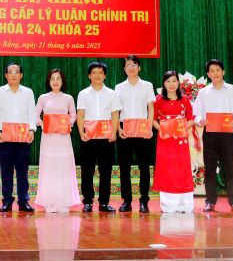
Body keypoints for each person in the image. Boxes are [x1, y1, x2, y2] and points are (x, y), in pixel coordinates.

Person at [194, 59, 233, 213]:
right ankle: (210, 202)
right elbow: (196, 113)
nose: (215, 73)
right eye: (212, 71)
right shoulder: (203, 92)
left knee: (231, 168)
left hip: (228, 134)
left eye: (218, 70)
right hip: (210, 134)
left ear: (223, 72)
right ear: (208, 74)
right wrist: (200, 119)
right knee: (210, 169)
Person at [0, 62, 36, 213]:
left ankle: (23, 201)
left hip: (24, 137)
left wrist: (32, 130)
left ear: (21, 75)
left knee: (23, 171)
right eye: (10, 72)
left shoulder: (28, 92)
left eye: (17, 72)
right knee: (6, 171)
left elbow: (32, 112)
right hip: (5, 137)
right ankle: (7, 201)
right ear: (6, 75)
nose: (14, 74)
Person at [76, 61, 121, 213]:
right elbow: (80, 114)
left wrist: (114, 132)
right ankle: (88, 201)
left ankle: (104, 203)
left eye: (100, 73)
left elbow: (115, 114)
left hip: (106, 138)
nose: (97, 75)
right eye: (94, 72)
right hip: (88, 137)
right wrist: (81, 132)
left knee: (106, 171)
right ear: (89, 75)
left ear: (105, 76)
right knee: (87, 170)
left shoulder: (112, 94)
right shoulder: (83, 94)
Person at [35, 68, 81, 213]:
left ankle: (63, 202)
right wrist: (42, 124)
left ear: (62, 81)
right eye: (52, 79)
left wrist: (69, 124)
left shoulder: (68, 98)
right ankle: (48, 202)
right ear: (49, 81)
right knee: (49, 168)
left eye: (58, 78)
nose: (55, 82)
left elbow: (73, 115)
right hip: (48, 138)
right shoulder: (43, 98)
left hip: (63, 138)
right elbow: (35, 115)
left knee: (63, 168)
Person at [114, 55, 156, 213]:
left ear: (139, 67)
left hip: (143, 128)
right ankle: (127, 201)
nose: (131, 68)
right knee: (124, 166)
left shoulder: (147, 85)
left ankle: (144, 200)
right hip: (125, 128)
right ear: (124, 69)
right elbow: (116, 110)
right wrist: (118, 128)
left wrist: (149, 127)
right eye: (128, 65)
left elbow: (151, 108)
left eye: (134, 65)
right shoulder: (119, 87)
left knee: (144, 166)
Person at [152, 70, 195, 213]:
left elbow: (191, 118)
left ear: (178, 82)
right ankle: (168, 205)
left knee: (182, 168)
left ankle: (185, 205)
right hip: (165, 140)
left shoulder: (185, 100)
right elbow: (152, 119)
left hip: (181, 140)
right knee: (167, 169)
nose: (171, 84)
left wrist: (181, 129)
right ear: (164, 84)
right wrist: (163, 129)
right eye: (168, 81)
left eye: (174, 81)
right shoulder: (158, 100)